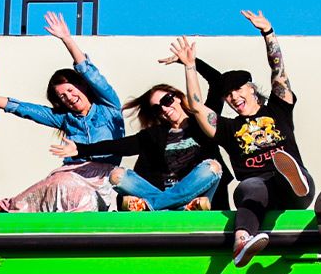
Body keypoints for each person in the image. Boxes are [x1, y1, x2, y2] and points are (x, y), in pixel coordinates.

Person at [0, 12, 124, 213]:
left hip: (101, 176)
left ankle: (9, 205)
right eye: (61, 97)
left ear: (82, 86)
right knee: (61, 181)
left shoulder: (108, 106)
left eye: (70, 90)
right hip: (70, 174)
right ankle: (6, 205)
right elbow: (22, 108)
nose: (68, 97)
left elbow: (89, 71)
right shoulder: (65, 118)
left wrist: (66, 39)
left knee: (72, 188)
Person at [179, 12, 310, 263]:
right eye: (228, 94)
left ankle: (293, 179)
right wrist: (189, 66)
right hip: (255, 187)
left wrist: (268, 33)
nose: (234, 97)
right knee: (251, 186)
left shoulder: (277, 109)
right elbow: (196, 107)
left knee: (292, 179)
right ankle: (242, 243)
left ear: (251, 88)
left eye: (238, 89)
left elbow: (278, 71)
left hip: (289, 185)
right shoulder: (227, 128)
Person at [57, 83, 224, 213]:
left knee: (213, 167)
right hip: (170, 193)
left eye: (167, 100)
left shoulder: (201, 125)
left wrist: (190, 64)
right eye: (158, 108)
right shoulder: (153, 135)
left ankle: (151, 206)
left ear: (178, 97)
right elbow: (120, 146)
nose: (165, 109)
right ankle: (181, 207)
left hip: (198, 193)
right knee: (117, 175)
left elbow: (218, 83)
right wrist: (81, 149)